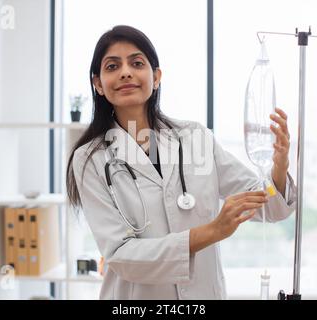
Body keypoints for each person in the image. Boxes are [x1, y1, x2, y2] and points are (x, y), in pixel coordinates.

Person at [66, 25, 296, 300]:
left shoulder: (195, 137)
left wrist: (279, 170)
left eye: (137, 63)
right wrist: (212, 231)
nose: (126, 72)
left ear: (156, 76)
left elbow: (269, 206)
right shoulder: (90, 159)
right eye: (112, 66)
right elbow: (120, 255)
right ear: (98, 84)